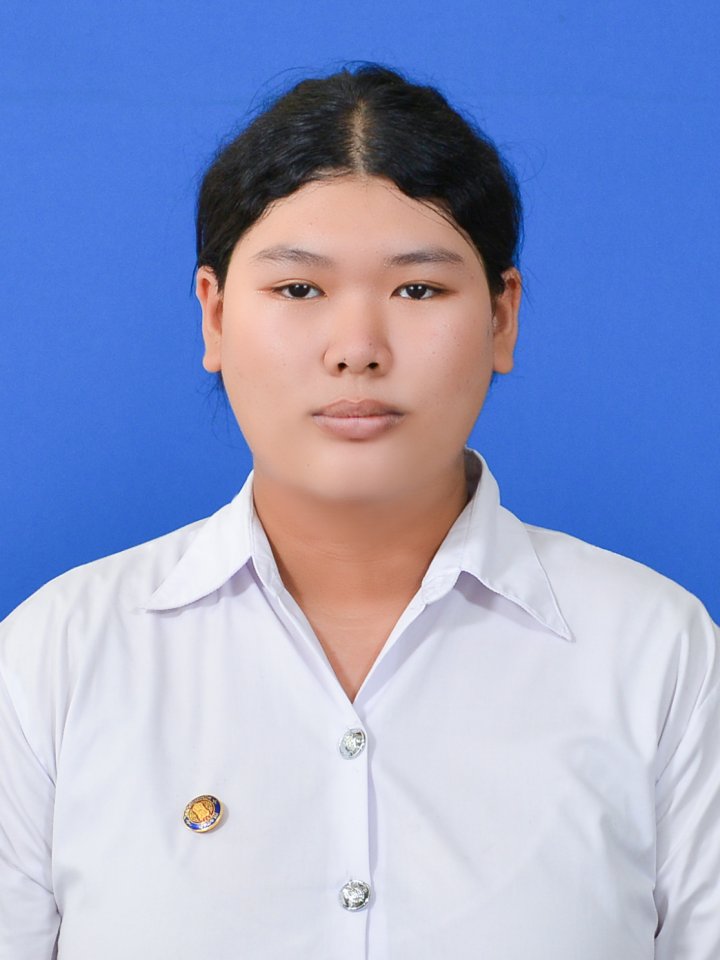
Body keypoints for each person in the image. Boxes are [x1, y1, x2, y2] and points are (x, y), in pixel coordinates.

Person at [0, 62, 718, 960]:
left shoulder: (658, 654)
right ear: (214, 317)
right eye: (299, 289)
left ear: (502, 318)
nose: (357, 350)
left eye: (418, 290)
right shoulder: (56, 658)